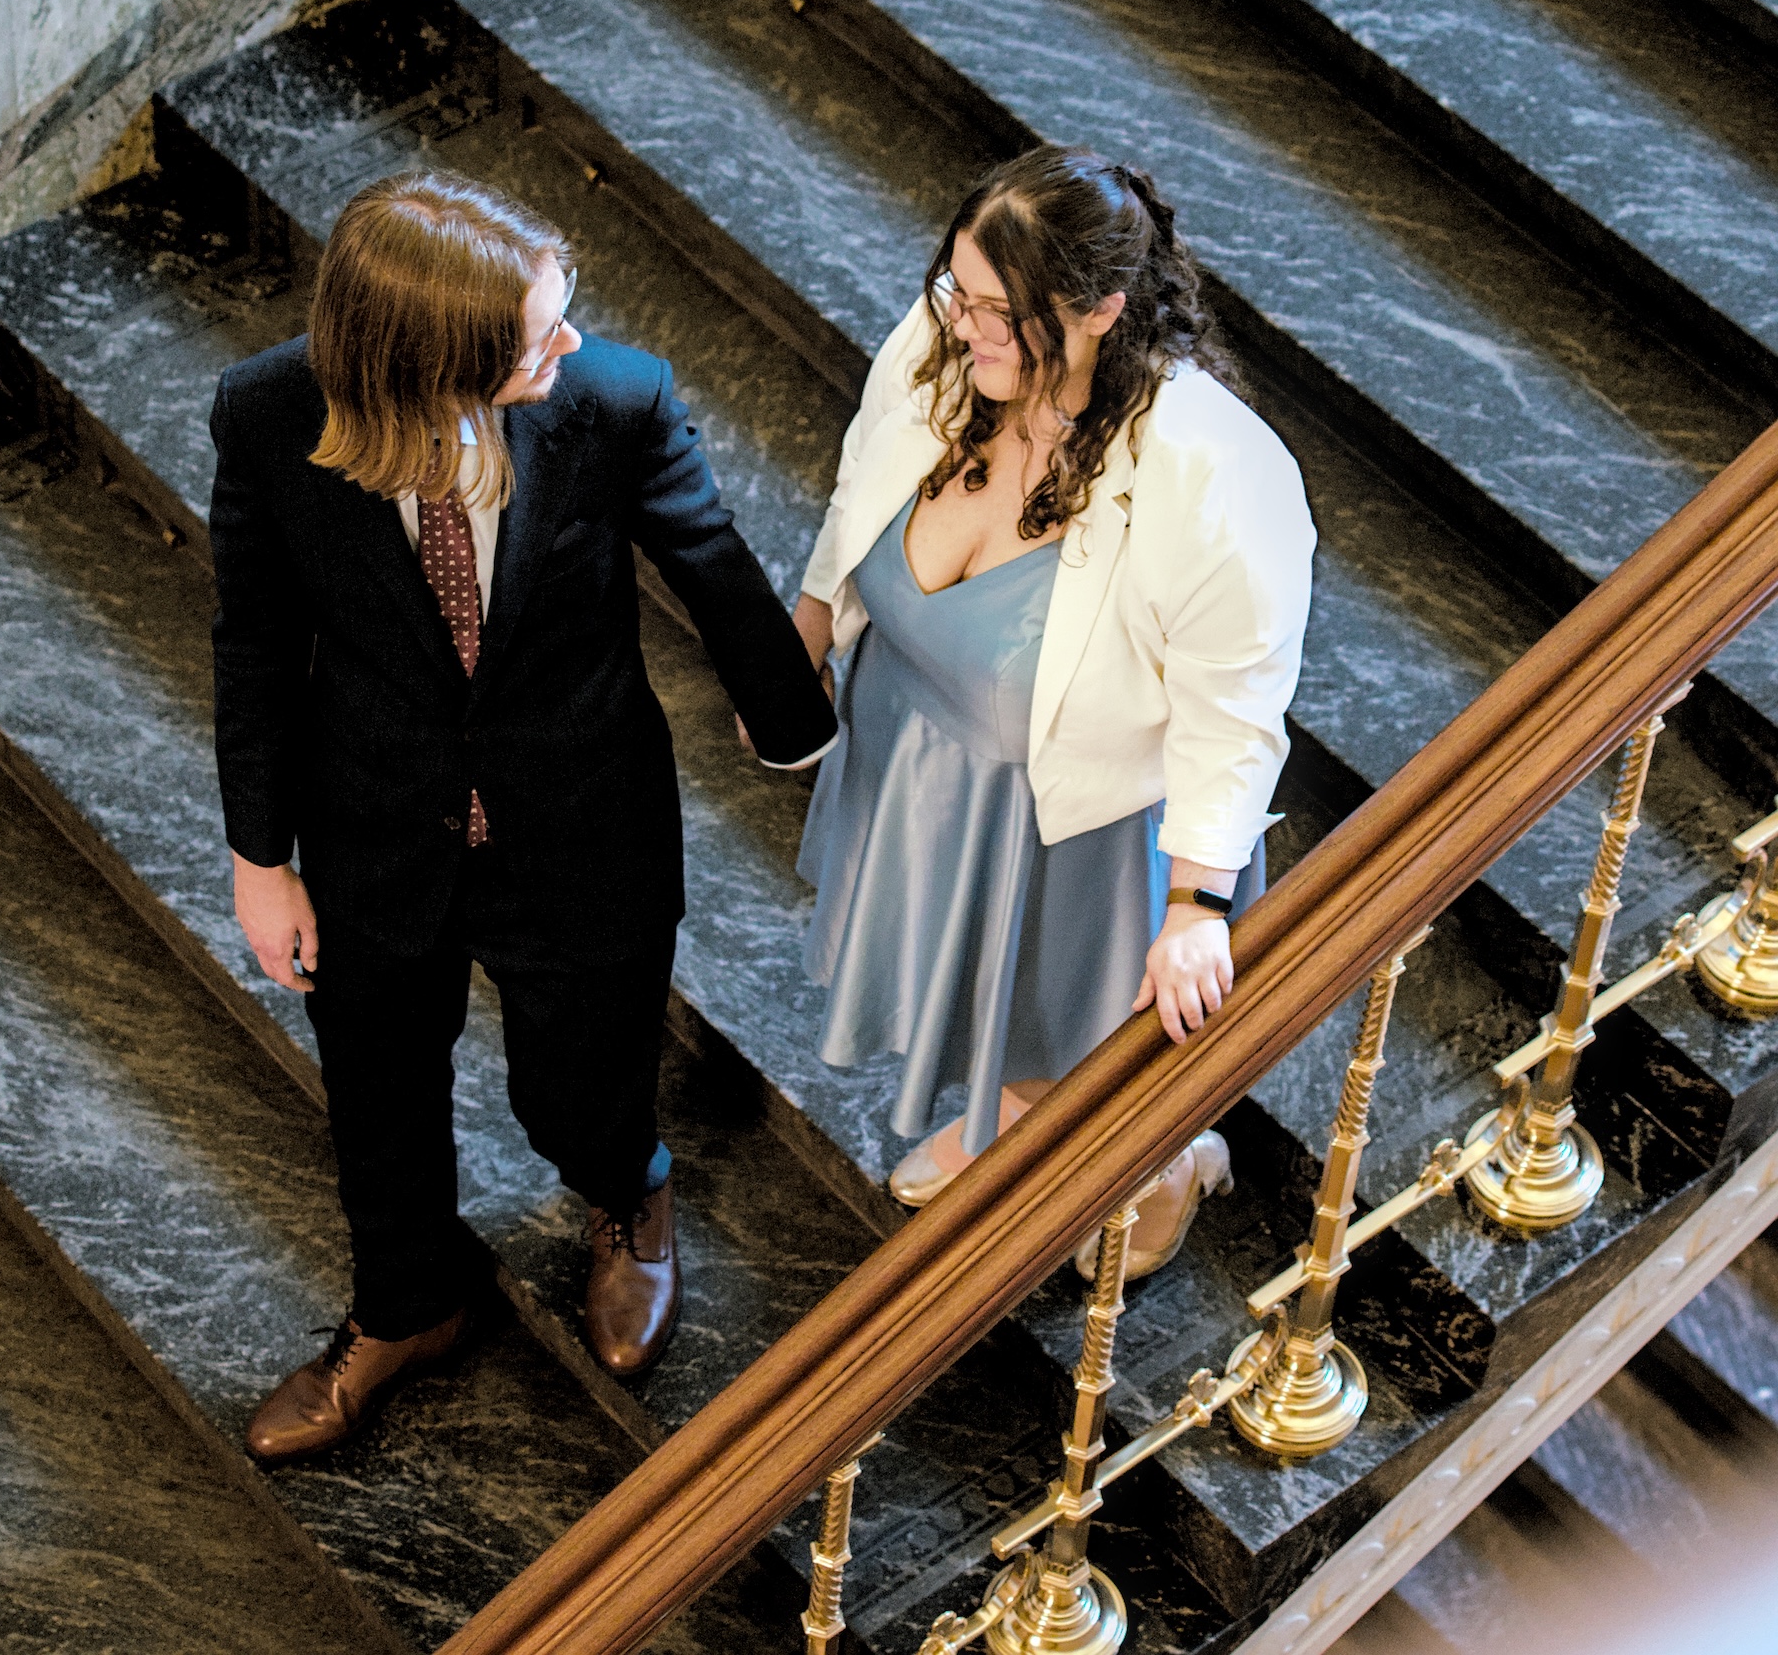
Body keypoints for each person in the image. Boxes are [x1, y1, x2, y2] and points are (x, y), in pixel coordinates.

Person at [210, 169, 836, 1463]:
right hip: (375, 823)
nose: (568, 344)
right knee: (376, 1088)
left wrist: (797, 724)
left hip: (581, 814)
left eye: (561, 313)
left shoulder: (612, 398)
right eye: (534, 335)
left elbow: (709, 557)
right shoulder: (271, 416)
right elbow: (256, 643)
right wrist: (261, 861)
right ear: (427, 359)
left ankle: (626, 1196)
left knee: (582, 1073)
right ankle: (406, 1309)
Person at [791, 148, 1314, 1278]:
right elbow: (861, 480)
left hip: (1072, 826)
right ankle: (1007, 1113)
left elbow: (1236, 702)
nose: (955, 325)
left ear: (1095, 313)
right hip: (921, 761)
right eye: (958, 290)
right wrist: (810, 624)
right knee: (970, 981)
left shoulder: (1213, 472)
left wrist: (1192, 903)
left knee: (1067, 1017)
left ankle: (1164, 1164)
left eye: (995, 311)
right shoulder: (946, 343)